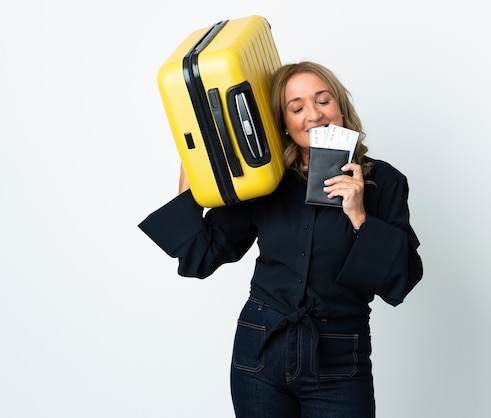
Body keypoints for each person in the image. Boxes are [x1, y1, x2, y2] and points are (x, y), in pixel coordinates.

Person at [139, 61, 423, 417]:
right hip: (259, 348)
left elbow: (403, 278)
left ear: (342, 109)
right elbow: (203, 256)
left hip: (337, 356)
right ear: (284, 125)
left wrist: (359, 215)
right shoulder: (265, 181)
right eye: (297, 107)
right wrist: (195, 164)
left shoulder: (385, 182)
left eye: (324, 100)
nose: (314, 115)